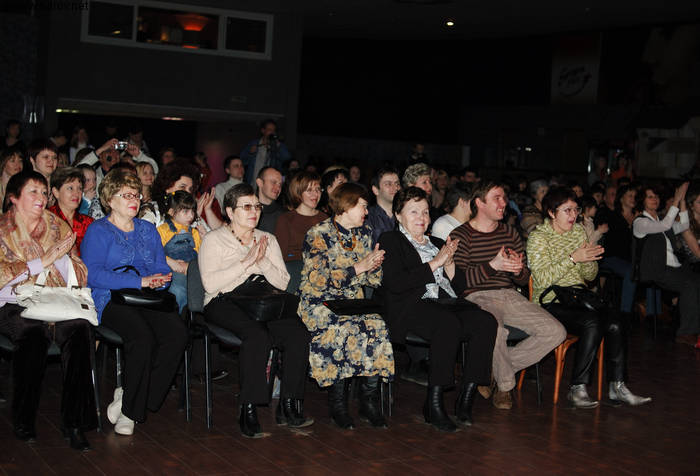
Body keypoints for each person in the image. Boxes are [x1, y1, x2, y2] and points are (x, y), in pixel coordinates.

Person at [199, 183, 313, 437]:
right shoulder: (214, 239)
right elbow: (210, 284)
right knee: (257, 336)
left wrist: (262, 262)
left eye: (257, 207)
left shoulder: (267, 239)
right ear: (230, 211)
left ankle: (289, 404)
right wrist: (246, 262)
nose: (254, 212)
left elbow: (282, 282)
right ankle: (248, 408)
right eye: (247, 207)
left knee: (298, 335)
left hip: (262, 300)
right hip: (224, 300)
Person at [379, 187, 497, 431]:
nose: (421, 217)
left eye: (425, 212)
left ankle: (466, 396)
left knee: (485, 321)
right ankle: (433, 404)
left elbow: (460, 287)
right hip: (411, 305)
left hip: (444, 303)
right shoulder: (391, 240)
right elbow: (397, 283)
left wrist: (450, 263)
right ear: (398, 215)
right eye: (414, 212)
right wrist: (436, 262)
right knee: (447, 324)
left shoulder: (437, 242)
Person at [81, 169, 188, 436]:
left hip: (145, 298)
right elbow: (93, 275)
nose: (134, 200)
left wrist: (159, 280)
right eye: (126, 195)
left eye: (137, 195)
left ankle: (131, 394)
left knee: (177, 334)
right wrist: (140, 281)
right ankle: (130, 411)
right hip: (110, 297)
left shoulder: (147, 229)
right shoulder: (98, 230)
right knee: (141, 338)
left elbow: (160, 267)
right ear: (110, 199)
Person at [528, 187, 651, 407]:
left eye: (576, 210)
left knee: (615, 320)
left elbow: (590, 276)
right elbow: (543, 278)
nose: (573, 215)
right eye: (567, 210)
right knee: (592, 321)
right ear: (551, 212)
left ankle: (617, 386)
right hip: (549, 300)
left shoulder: (578, 232)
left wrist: (589, 260)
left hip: (578, 296)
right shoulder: (538, 237)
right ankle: (578, 388)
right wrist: (573, 258)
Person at [0, 171, 96, 450]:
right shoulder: (3, 230)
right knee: (33, 335)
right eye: (33, 191)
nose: (41, 197)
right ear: (13, 197)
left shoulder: (57, 226)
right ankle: (24, 419)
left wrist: (62, 262)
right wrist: (41, 262)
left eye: (44, 192)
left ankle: (74, 422)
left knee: (80, 330)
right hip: (12, 302)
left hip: (52, 298)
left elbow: (78, 271)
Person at [450, 181, 566, 410]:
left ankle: (492, 370)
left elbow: (522, 279)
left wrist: (518, 270)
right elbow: (459, 284)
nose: (504, 203)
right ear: (479, 203)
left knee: (556, 332)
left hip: (508, 294)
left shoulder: (509, 232)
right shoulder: (461, 234)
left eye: (504, 197)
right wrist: (492, 265)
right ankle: (505, 387)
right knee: (495, 330)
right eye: (497, 198)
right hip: (477, 296)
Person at [298, 182, 394, 429]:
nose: (366, 212)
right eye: (363, 206)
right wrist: (358, 267)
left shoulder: (363, 233)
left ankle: (368, 401)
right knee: (341, 328)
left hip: (351, 301)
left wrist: (374, 266)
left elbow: (372, 280)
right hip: (320, 301)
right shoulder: (318, 234)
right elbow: (317, 280)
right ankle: (338, 405)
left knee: (376, 326)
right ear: (347, 205)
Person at [632, 182, 700, 346]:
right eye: (650, 197)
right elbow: (665, 225)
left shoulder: (662, 220)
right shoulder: (640, 223)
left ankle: (690, 326)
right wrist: (676, 200)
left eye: (656, 196)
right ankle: (685, 333)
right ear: (642, 201)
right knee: (690, 285)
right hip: (657, 270)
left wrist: (682, 202)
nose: (654, 199)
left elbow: (684, 225)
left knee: (697, 281)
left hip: (674, 267)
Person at [157, 191, 202, 312]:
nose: (191, 216)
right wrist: (171, 262)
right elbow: (155, 251)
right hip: (173, 268)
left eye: (192, 211)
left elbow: (201, 255)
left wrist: (204, 238)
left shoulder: (194, 232)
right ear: (171, 212)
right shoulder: (163, 229)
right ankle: (175, 314)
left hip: (191, 269)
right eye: (185, 211)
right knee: (178, 290)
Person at [274, 171, 327, 262]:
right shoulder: (286, 219)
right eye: (309, 190)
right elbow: (280, 256)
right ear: (298, 193)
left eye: (318, 189)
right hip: (294, 267)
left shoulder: (324, 218)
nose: (315, 194)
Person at [153, 159, 221, 230]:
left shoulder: (191, 213)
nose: (188, 193)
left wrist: (207, 210)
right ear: (167, 187)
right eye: (182, 187)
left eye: (190, 189)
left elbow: (218, 233)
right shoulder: (153, 211)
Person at [76, 138, 158, 189]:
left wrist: (138, 155)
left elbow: (154, 170)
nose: (114, 154)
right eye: (109, 151)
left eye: (116, 151)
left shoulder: (126, 174)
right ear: (100, 157)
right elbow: (77, 170)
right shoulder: (94, 177)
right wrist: (101, 149)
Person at [48, 167, 94, 255]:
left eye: (79, 188)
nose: (76, 193)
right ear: (56, 192)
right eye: (70, 188)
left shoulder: (88, 223)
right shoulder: (46, 219)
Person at [240, 119, 291, 185]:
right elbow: (242, 160)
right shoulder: (254, 144)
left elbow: (287, 159)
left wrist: (279, 146)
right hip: (253, 183)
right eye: (270, 130)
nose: (272, 132)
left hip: (269, 184)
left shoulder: (278, 146)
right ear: (263, 130)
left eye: (274, 130)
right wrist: (250, 153)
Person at [366, 167, 401, 244]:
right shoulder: (367, 217)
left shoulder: (405, 214)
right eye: (388, 184)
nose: (395, 188)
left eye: (397, 184)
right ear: (375, 190)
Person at [255, 166, 284, 233]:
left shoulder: (283, 215)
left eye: (280, 184)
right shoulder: (247, 210)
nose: (278, 188)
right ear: (260, 183)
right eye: (273, 182)